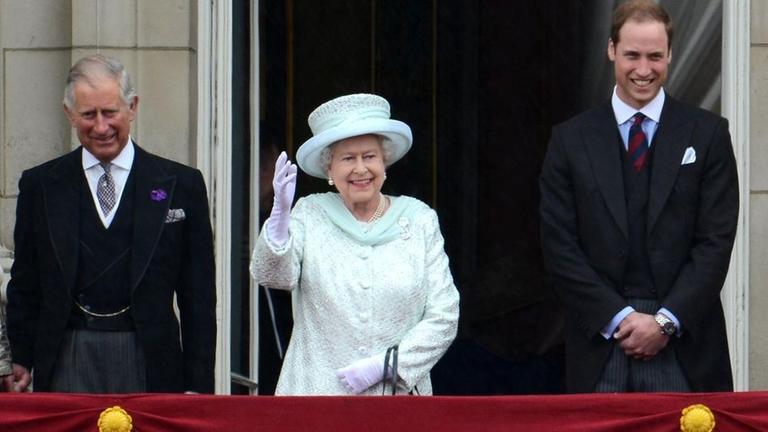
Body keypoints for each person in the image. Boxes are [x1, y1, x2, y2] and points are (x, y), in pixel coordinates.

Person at [539, 0, 738, 393]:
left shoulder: (708, 134)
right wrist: (619, 317)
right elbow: (559, 245)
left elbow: (715, 242)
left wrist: (664, 322)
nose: (643, 70)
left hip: (686, 344)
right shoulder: (569, 140)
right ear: (611, 50)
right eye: (632, 55)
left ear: (670, 56)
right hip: (600, 341)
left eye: (655, 57)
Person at [6, 54, 216, 393]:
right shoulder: (41, 185)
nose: (101, 127)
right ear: (69, 114)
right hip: (66, 356)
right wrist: (19, 357)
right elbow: (26, 282)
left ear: (132, 107)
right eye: (88, 115)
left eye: (110, 113)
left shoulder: (182, 184)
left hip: (151, 360)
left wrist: (198, 384)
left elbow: (199, 297)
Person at [250, 93, 459, 395]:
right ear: (329, 169)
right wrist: (280, 219)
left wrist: (389, 366)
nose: (360, 169)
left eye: (369, 156)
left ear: (384, 162)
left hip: (395, 402)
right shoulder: (310, 214)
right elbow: (273, 276)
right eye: (348, 158)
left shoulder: (419, 220)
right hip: (316, 399)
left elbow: (445, 314)